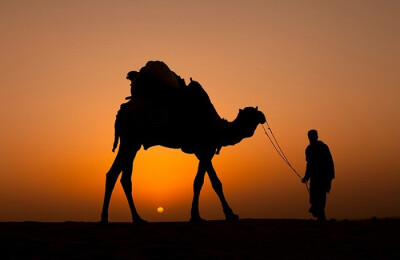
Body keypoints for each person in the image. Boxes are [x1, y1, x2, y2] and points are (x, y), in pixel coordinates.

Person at [302, 129, 335, 221]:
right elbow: (309, 164)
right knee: (317, 196)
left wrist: (331, 174)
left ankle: (321, 216)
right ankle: (321, 217)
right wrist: (306, 177)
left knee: (320, 196)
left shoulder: (322, 147)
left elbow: (329, 161)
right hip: (316, 176)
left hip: (323, 175)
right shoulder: (309, 149)